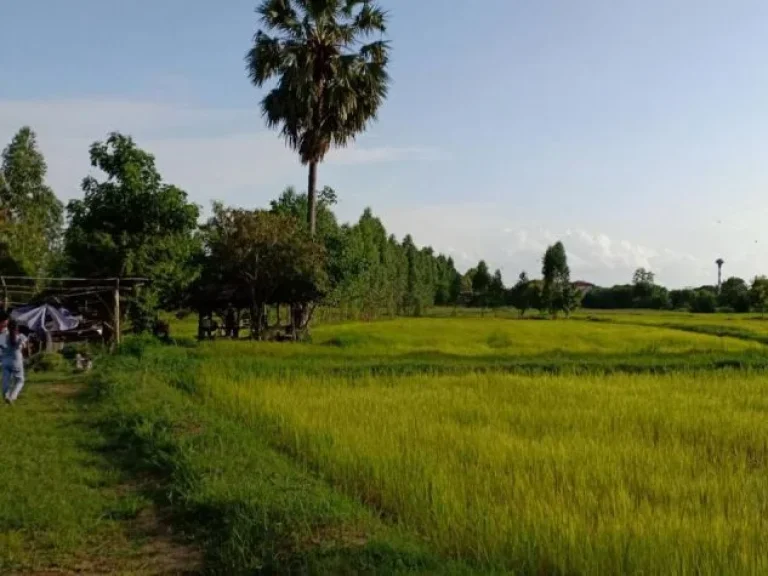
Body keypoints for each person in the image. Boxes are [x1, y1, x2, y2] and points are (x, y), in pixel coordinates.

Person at [1, 319, 28, 404]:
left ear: (7, 327)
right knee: (20, 380)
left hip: (5, 361)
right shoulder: (20, 337)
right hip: (16, 361)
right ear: (17, 327)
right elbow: (24, 346)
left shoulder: (2, 337)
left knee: (6, 379)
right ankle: (13, 396)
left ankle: (6, 395)